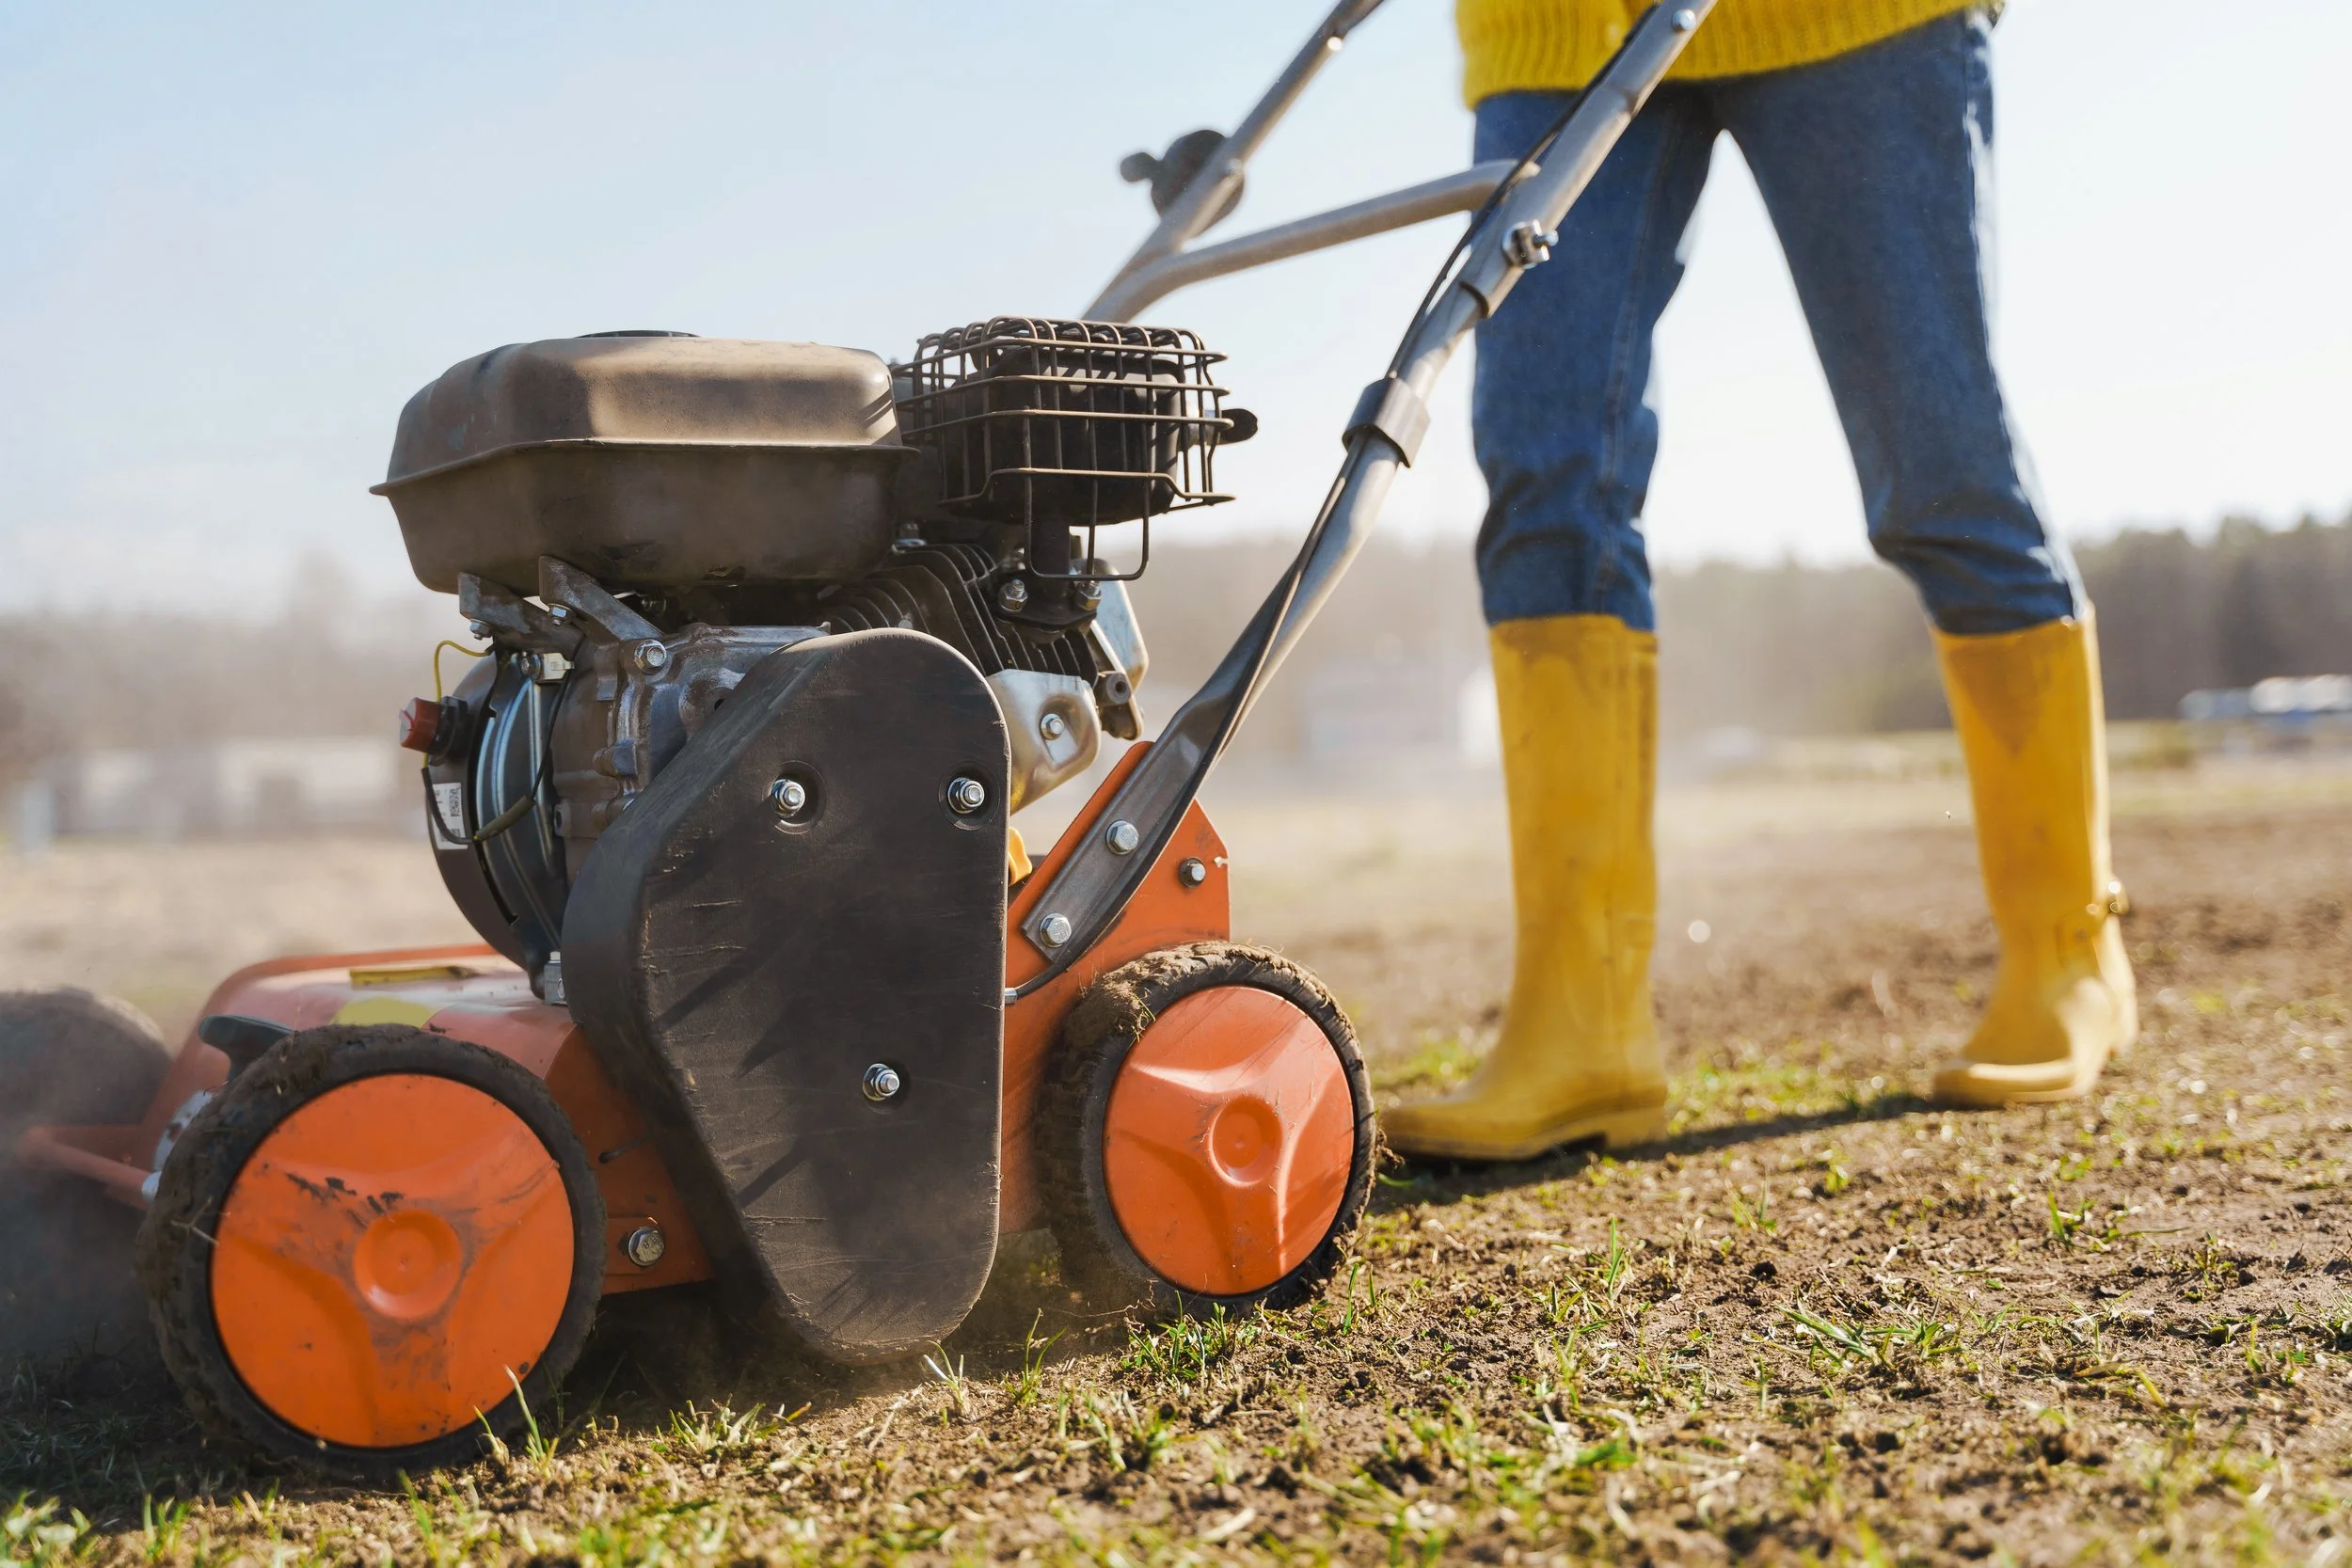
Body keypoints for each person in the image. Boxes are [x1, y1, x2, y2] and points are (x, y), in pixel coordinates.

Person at [1380, 0, 2137, 1162]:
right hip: (1557, 29)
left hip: (1855, 22)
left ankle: (2066, 953)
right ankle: (1579, 1023)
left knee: (1940, 463)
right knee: (1544, 476)